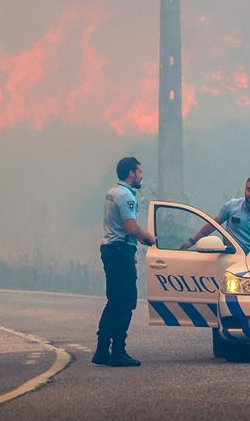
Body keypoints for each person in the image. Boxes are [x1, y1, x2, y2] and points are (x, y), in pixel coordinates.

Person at [92, 157, 156, 367]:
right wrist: (149, 237)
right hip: (120, 253)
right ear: (130, 173)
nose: (141, 175)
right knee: (126, 302)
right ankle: (118, 351)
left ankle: (102, 351)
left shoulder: (112, 192)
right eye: (139, 172)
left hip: (112, 250)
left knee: (114, 301)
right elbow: (131, 228)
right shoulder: (126, 196)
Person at [181, 176, 250, 253]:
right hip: (229, 258)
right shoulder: (231, 206)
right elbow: (212, 225)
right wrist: (191, 242)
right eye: (249, 190)